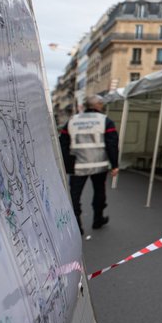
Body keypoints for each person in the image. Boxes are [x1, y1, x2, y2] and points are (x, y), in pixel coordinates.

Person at [59, 96, 119, 235]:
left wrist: (67, 164)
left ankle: (77, 226)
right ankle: (97, 220)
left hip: (77, 166)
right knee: (99, 192)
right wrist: (114, 164)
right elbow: (112, 143)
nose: (102, 105)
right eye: (101, 103)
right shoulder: (105, 121)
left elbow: (63, 144)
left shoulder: (72, 121)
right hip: (99, 165)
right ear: (98, 105)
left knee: (75, 195)